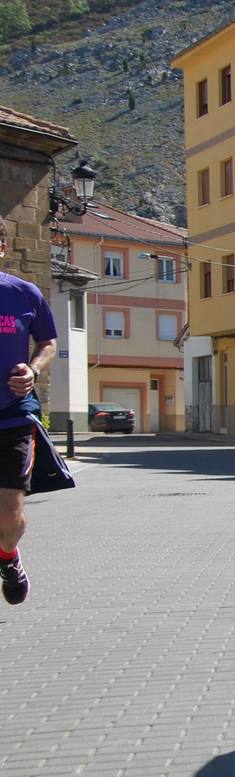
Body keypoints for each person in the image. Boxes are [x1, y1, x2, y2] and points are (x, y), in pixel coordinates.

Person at [0, 219, 60, 604]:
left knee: (9, 512)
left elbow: (49, 342)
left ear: (2, 248)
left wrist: (33, 369)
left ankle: (8, 557)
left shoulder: (24, 294)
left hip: (13, 415)